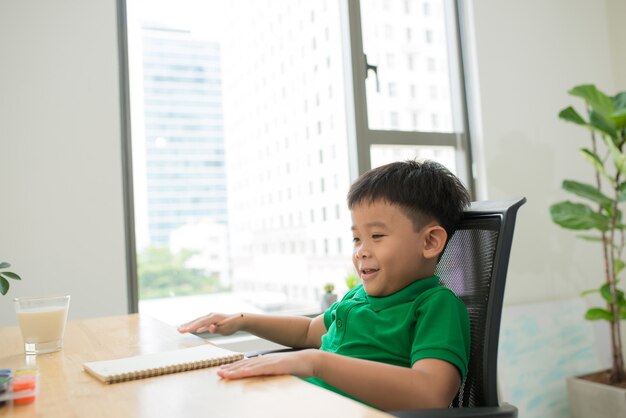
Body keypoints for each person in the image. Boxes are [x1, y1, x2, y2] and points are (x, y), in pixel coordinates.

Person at [178, 160, 471, 411]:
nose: (361, 251)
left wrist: (317, 363)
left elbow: (430, 393)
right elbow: (307, 331)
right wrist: (242, 321)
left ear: (430, 241)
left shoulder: (435, 305)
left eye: (377, 236)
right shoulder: (359, 297)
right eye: (357, 238)